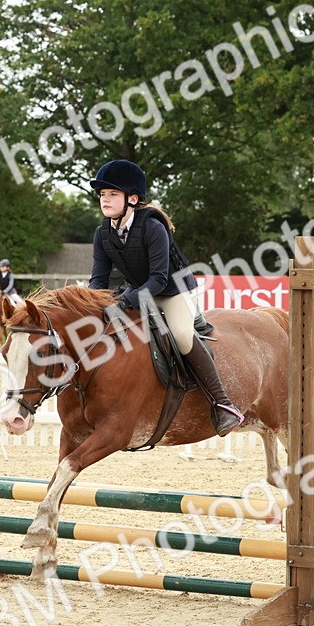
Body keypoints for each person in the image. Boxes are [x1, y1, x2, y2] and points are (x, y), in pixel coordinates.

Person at [87, 159, 243, 436]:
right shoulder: (103, 233)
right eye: (102, 195)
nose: (105, 200)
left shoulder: (152, 227)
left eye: (112, 194)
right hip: (138, 290)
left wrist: (125, 301)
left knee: (181, 335)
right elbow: (99, 279)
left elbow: (159, 279)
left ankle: (223, 404)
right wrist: (94, 304)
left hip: (172, 290)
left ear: (132, 199)